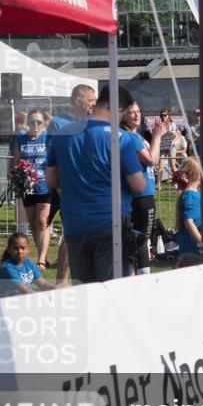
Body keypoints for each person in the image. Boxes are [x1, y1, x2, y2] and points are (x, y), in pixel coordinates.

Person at [46, 85, 146, 284]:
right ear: (118, 108)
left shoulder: (64, 134)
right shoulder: (120, 138)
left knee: (85, 293)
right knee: (114, 292)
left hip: (75, 225)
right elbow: (139, 185)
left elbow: (51, 180)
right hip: (111, 224)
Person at [121, 100, 168, 275]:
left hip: (141, 193)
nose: (137, 115)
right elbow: (152, 160)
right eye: (132, 112)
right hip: (141, 196)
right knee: (141, 239)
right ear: (123, 115)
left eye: (139, 111)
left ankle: (131, 273)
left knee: (135, 238)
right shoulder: (130, 136)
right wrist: (156, 137)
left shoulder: (137, 136)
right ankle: (142, 276)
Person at [12, 110, 52, 269]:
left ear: (43, 123)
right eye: (32, 122)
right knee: (34, 224)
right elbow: (16, 162)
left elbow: (54, 160)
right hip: (27, 187)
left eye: (38, 122)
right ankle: (45, 253)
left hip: (45, 185)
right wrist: (15, 175)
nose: (35, 125)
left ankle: (41, 259)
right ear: (27, 123)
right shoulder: (21, 139)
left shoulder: (48, 138)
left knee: (42, 222)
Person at [0, 232, 56, 298]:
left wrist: (57, 289)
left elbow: (42, 283)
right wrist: (44, 297)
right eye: (16, 248)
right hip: (9, 305)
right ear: (9, 250)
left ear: (28, 249)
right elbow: (24, 291)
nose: (20, 252)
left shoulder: (29, 263)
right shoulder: (8, 268)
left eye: (23, 248)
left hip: (24, 301)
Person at [176, 157, 203, 261]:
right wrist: (201, 242)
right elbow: (189, 222)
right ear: (197, 175)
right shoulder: (191, 196)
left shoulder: (189, 194)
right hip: (193, 248)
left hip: (190, 246)